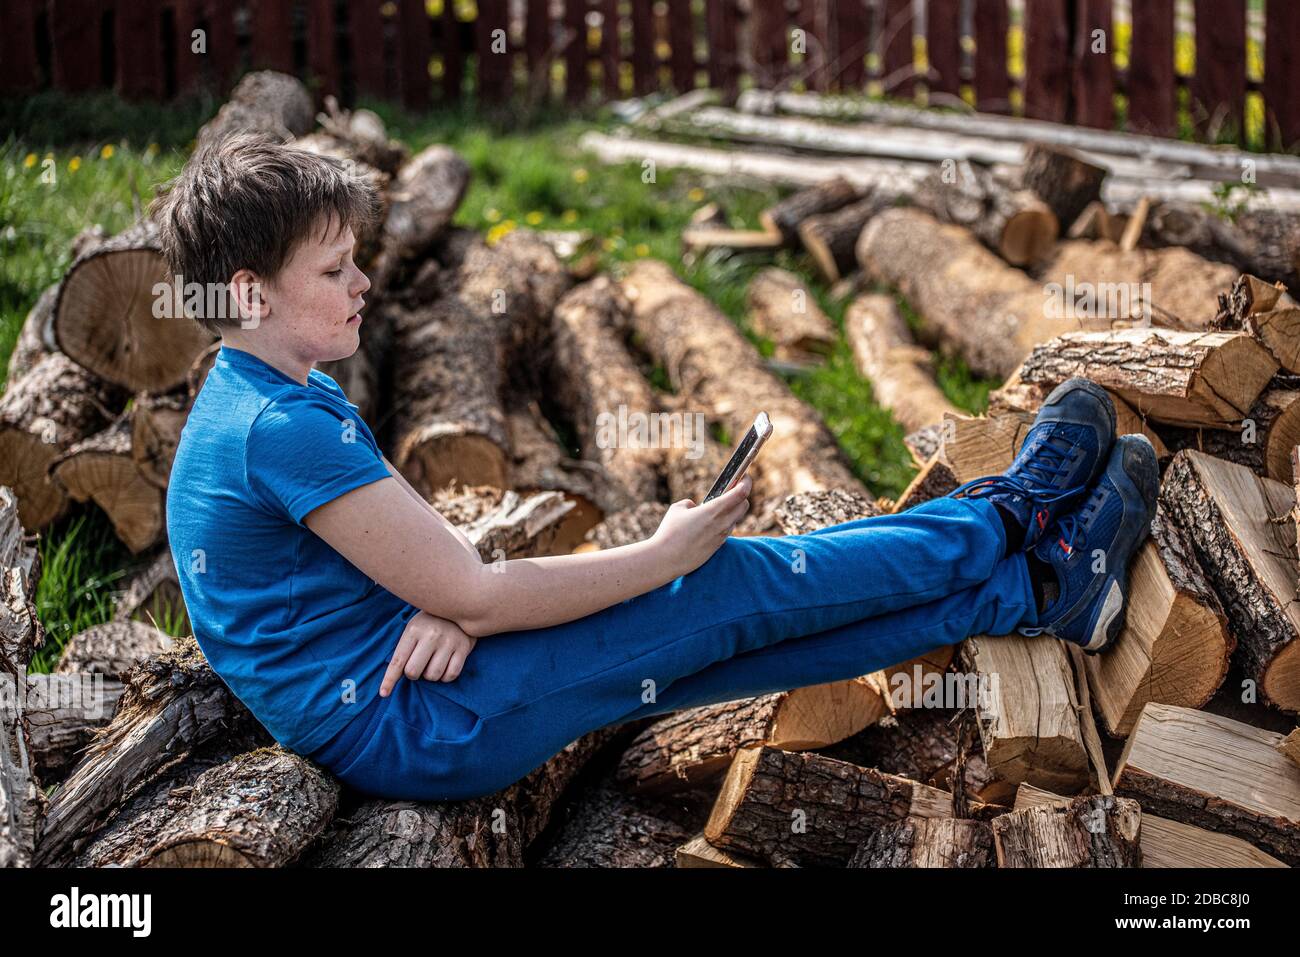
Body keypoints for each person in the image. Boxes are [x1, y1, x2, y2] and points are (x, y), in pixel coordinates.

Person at [156, 131, 1159, 804]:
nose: (364, 280)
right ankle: (1016, 517)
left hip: (404, 693)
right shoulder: (279, 427)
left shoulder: (268, 389)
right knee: (717, 581)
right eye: (334, 271)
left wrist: (436, 600)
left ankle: (1033, 592)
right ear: (250, 294)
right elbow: (470, 584)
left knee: (725, 647)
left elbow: (417, 562)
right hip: (421, 724)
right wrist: (655, 554)